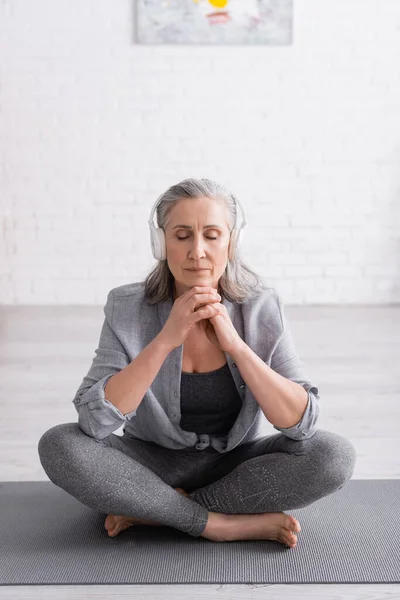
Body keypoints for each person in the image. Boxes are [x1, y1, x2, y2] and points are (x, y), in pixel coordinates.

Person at [38, 178, 356, 548]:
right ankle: (217, 524)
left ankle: (157, 511)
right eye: (183, 235)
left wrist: (236, 346)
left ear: (232, 242)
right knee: (59, 444)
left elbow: (302, 424)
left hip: (235, 465)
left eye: (212, 235)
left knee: (334, 455)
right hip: (150, 462)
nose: (198, 251)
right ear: (161, 242)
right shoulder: (126, 307)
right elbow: (94, 423)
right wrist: (165, 340)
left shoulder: (261, 307)